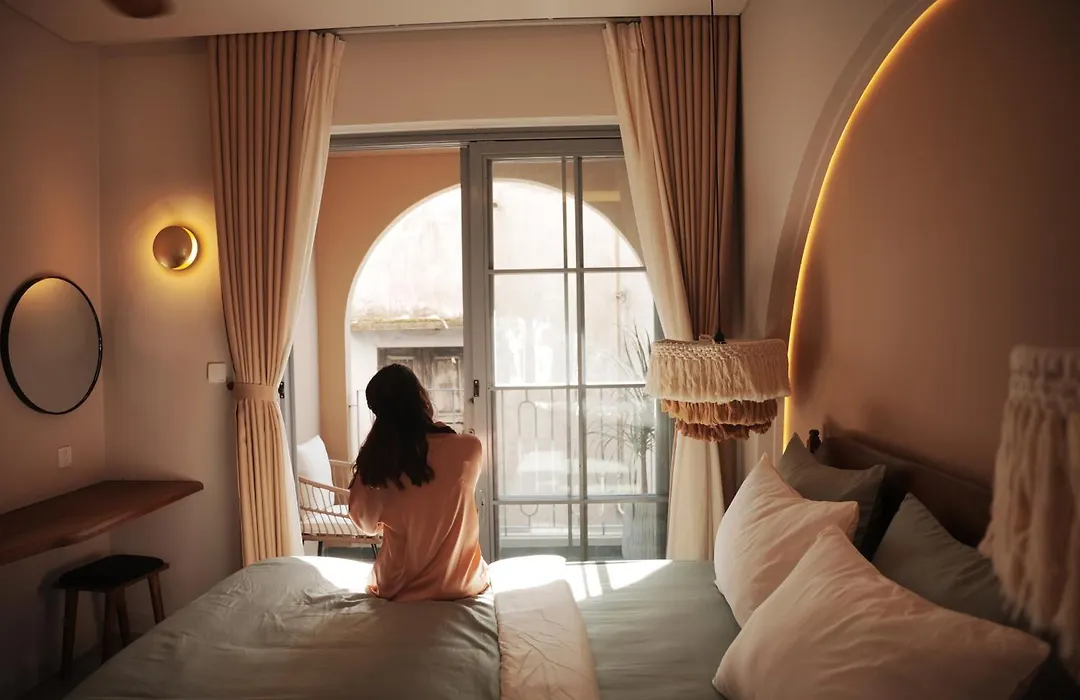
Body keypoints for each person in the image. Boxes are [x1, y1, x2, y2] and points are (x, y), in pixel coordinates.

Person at [348, 363, 489, 602]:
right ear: (421, 398)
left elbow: (366, 524)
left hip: (399, 588)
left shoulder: (378, 465)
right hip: (461, 584)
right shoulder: (469, 449)